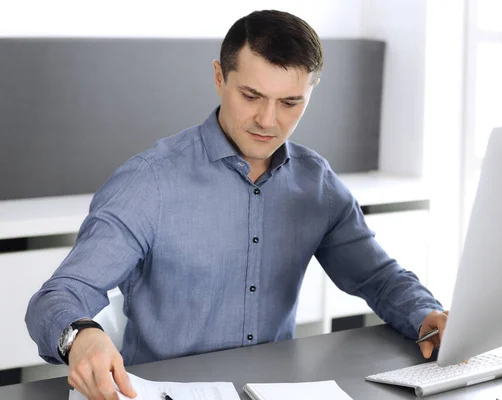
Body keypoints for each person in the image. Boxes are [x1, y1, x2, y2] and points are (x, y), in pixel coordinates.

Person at [25, 9, 447, 400]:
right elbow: (60, 295)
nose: (268, 120)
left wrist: (425, 313)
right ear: (219, 77)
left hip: (272, 391)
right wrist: (80, 335)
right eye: (251, 95)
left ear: (311, 91)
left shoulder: (316, 182)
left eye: (290, 102)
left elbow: (378, 277)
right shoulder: (150, 182)